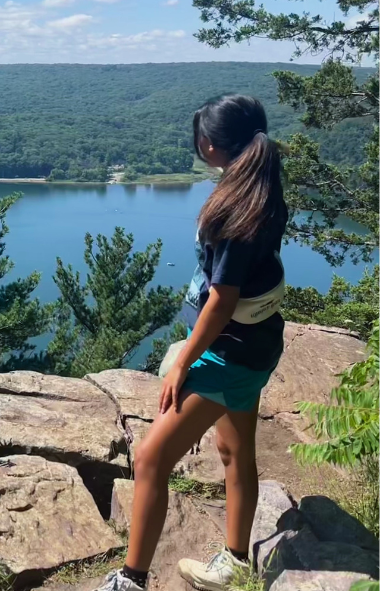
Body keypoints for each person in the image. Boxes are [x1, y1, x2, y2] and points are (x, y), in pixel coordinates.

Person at [95, 94, 288, 591]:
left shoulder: (235, 211)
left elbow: (221, 301)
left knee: (151, 459)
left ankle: (131, 580)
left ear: (208, 144)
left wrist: (185, 360)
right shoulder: (261, 189)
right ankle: (235, 561)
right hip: (257, 344)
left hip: (226, 353)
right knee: (234, 451)